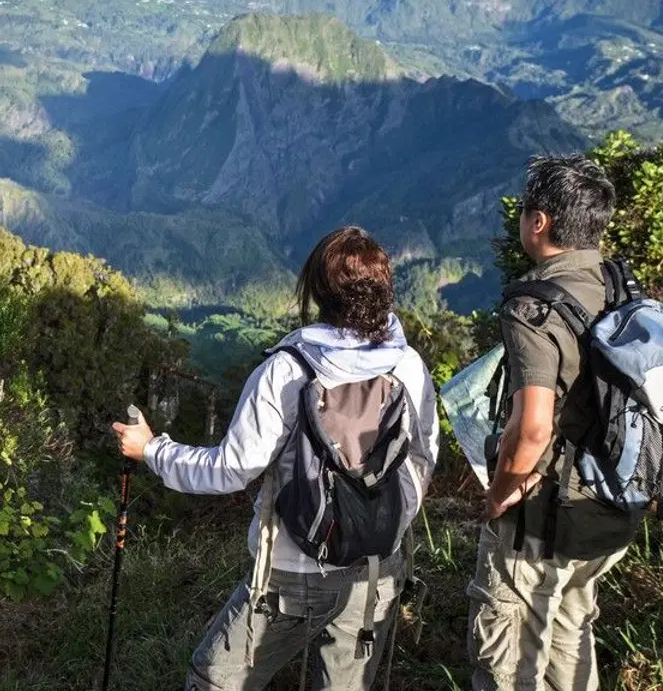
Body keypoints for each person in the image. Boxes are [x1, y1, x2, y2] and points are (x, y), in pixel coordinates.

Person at [113, 225, 439, 691]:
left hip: (292, 575)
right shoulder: (408, 365)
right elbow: (422, 459)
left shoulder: (287, 371)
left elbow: (230, 469)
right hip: (376, 572)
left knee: (215, 680)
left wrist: (152, 450)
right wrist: (379, 525)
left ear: (318, 293)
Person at [469, 154, 629, 690]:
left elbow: (533, 428)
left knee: (508, 647)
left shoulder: (535, 308)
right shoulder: (615, 286)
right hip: (608, 501)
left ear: (539, 223)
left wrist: (499, 493)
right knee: (568, 630)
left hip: (544, 515)